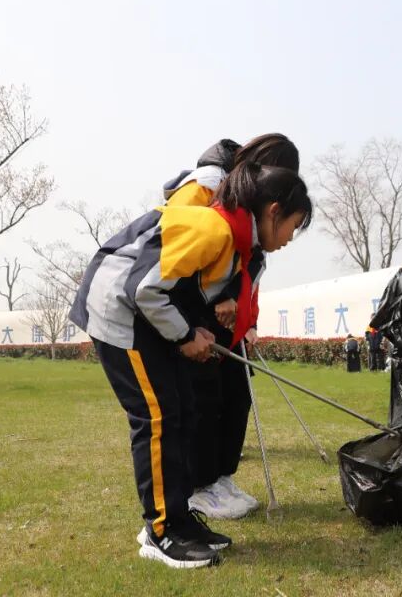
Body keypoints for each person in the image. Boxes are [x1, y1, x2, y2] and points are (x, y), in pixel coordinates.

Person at [70, 162, 313, 568]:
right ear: (274, 211)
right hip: (119, 311)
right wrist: (184, 336)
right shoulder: (214, 228)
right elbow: (143, 288)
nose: (290, 238)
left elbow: (181, 291)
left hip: (144, 313)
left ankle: (180, 519)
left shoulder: (238, 243)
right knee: (159, 417)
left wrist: (195, 329)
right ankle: (161, 531)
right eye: (294, 225)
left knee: (185, 410)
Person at [162, 135, 300, 521]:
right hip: (196, 314)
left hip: (231, 319)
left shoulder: (253, 203)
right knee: (203, 401)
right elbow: (177, 242)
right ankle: (199, 486)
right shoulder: (208, 183)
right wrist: (220, 294)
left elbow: (249, 258)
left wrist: (245, 314)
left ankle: (220, 478)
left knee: (235, 398)